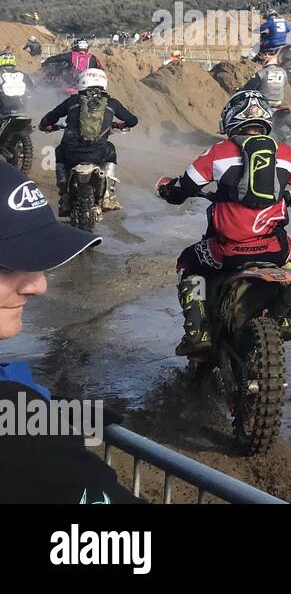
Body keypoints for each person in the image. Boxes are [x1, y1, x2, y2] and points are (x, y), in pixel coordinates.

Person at [0, 160, 142, 503]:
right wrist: (33, 429)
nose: (38, 285)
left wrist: (52, 410)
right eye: (7, 264)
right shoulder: (25, 446)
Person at [155, 91, 291, 356]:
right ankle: (285, 318)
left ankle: (198, 334)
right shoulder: (285, 153)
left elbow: (184, 186)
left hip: (228, 252)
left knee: (188, 262)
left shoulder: (218, 152)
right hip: (274, 249)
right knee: (289, 261)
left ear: (232, 120)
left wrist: (169, 190)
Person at [38, 68, 138, 215]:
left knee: (59, 153)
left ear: (82, 82)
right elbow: (133, 121)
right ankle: (109, 194)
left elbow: (50, 118)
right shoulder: (112, 103)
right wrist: (122, 125)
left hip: (71, 153)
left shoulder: (72, 101)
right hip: (98, 153)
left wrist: (45, 125)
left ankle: (64, 194)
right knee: (111, 150)